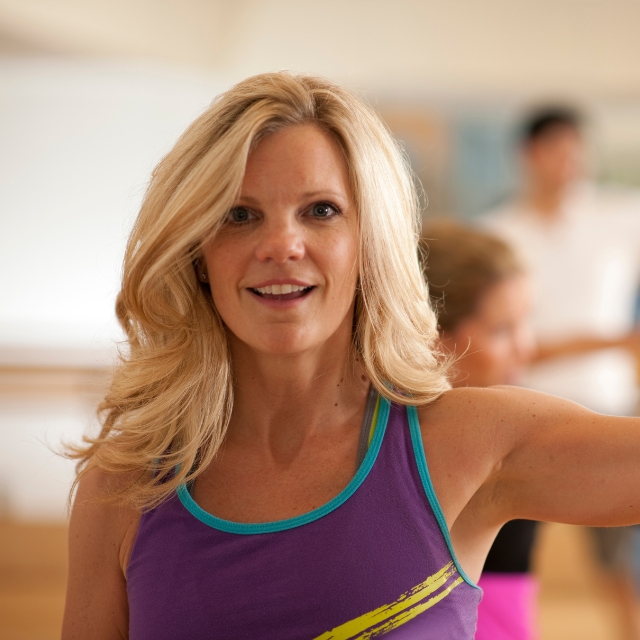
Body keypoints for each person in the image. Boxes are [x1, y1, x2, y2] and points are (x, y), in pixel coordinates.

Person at [62, 73, 640, 640]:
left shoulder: (467, 443)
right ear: (197, 255)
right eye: (239, 215)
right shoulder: (122, 489)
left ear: (371, 242)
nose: (282, 245)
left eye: (321, 210)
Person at [483, 107, 640, 639]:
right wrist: (613, 340)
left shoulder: (619, 218)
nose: (571, 162)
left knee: (618, 561)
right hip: (524, 415)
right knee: (508, 555)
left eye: (578, 151)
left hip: (611, 410)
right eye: (558, 150)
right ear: (529, 155)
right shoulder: (499, 232)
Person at [422, 220, 539, 640]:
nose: (526, 347)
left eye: (526, 322)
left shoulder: (516, 425)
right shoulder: (402, 450)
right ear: (434, 338)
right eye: (502, 329)